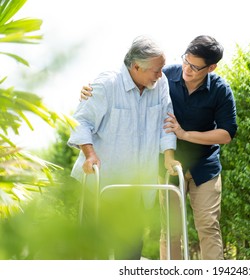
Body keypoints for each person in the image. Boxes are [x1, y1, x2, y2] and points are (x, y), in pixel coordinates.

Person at [80, 35, 238, 260]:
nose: (187, 68)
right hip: (167, 167)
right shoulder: (164, 76)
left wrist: (183, 136)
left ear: (211, 67)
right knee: (171, 229)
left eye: (195, 66)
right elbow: (126, 88)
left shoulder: (218, 89)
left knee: (208, 225)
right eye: (186, 61)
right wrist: (90, 92)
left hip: (204, 166)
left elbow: (226, 133)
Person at [68, 35, 180, 260]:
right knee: (95, 249)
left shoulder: (161, 84)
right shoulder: (106, 85)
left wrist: (168, 155)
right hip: (101, 184)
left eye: (162, 70)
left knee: (130, 252)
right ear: (136, 66)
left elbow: (166, 122)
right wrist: (89, 155)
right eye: (156, 70)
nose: (161, 75)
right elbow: (81, 121)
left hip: (135, 188)